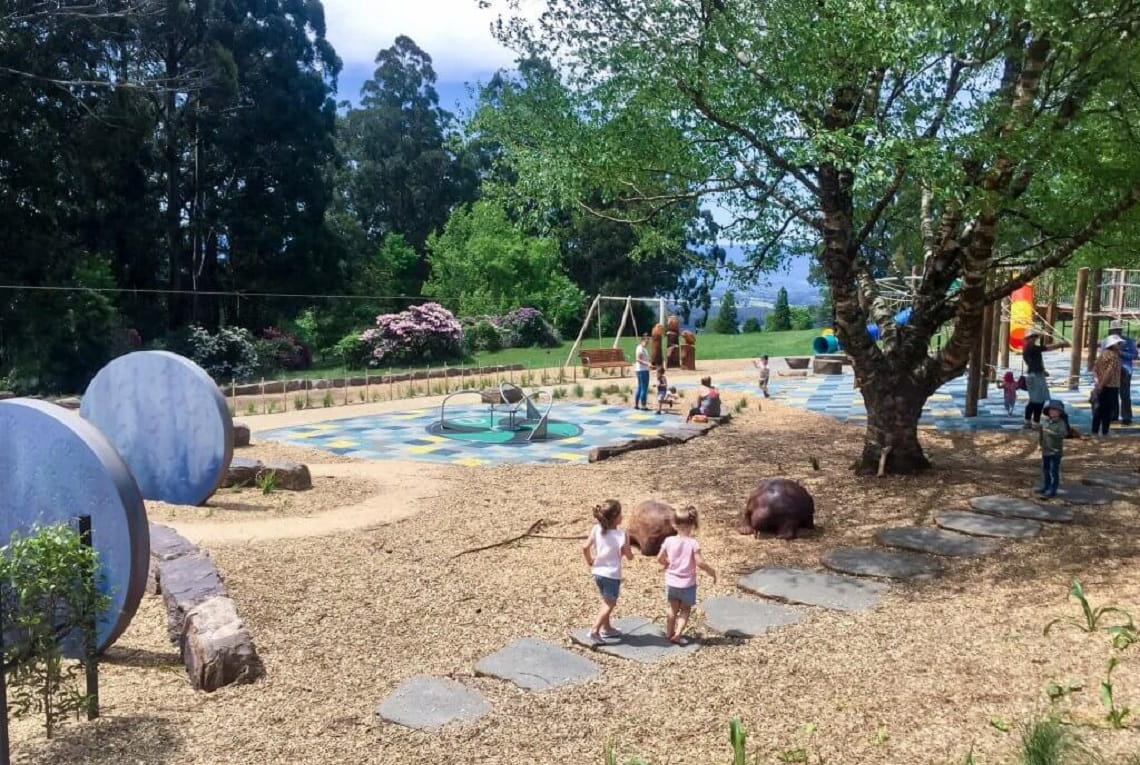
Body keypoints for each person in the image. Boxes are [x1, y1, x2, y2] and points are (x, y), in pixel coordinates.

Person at [656, 506, 717, 644]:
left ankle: (669, 632)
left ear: (674, 524)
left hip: (671, 582)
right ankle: (678, 634)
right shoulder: (693, 543)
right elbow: (700, 563)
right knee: (685, 609)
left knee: (672, 609)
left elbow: (659, 557)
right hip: (687, 584)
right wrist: (711, 571)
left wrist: (665, 564)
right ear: (693, 525)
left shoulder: (668, 541)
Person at [581, 499, 633, 644]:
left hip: (597, 573)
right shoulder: (622, 535)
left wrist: (590, 561)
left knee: (605, 600)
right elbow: (628, 556)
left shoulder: (596, 529)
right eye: (621, 514)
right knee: (609, 604)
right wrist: (628, 553)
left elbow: (585, 547)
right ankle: (594, 630)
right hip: (611, 575)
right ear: (616, 518)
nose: (623, 516)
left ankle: (607, 628)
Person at [1022, 328, 1066, 427]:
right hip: (1034, 376)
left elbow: (1036, 361)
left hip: (1037, 374)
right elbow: (1046, 348)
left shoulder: (1031, 348)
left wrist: (1043, 370)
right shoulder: (1030, 348)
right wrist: (1060, 345)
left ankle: (1031, 420)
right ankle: (1032, 420)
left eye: (1034, 337)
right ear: (1027, 339)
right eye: (1031, 337)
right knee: (1037, 400)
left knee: (1038, 399)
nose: (1033, 339)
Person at [1029, 400, 1067, 498]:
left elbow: (1063, 434)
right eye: (1050, 410)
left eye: (1054, 410)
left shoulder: (1061, 423)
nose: (1052, 412)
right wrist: (1040, 445)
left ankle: (1052, 489)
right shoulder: (1046, 422)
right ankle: (1046, 486)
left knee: (1053, 470)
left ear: (1060, 412)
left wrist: (1051, 432)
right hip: (1046, 451)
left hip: (1055, 451)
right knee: (1045, 470)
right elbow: (1042, 434)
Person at [1102, 320, 1136, 425]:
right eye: (1114, 330)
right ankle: (1113, 415)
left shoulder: (1129, 341)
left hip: (1124, 370)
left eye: (1118, 330)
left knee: (1125, 394)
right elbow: (1102, 356)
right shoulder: (1106, 342)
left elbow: (1134, 355)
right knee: (1112, 394)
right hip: (1110, 371)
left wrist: (1120, 353)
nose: (1116, 332)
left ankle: (1127, 417)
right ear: (1111, 331)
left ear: (1121, 330)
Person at [1091, 335, 1124, 436]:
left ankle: (1094, 430)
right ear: (1112, 345)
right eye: (1118, 343)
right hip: (1111, 385)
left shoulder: (1102, 354)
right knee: (1108, 409)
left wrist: (1098, 382)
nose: (1119, 345)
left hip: (1100, 384)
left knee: (1098, 408)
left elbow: (1095, 369)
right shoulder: (1114, 356)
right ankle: (1105, 431)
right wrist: (1102, 384)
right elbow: (1109, 372)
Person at [634, 335, 652, 411]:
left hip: (642, 370)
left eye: (648, 342)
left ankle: (636, 404)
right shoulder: (640, 348)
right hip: (642, 370)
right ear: (642, 341)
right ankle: (643, 405)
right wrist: (647, 363)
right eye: (646, 342)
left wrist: (649, 361)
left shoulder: (644, 349)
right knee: (644, 388)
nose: (647, 343)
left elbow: (644, 358)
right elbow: (638, 359)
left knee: (640, 387)